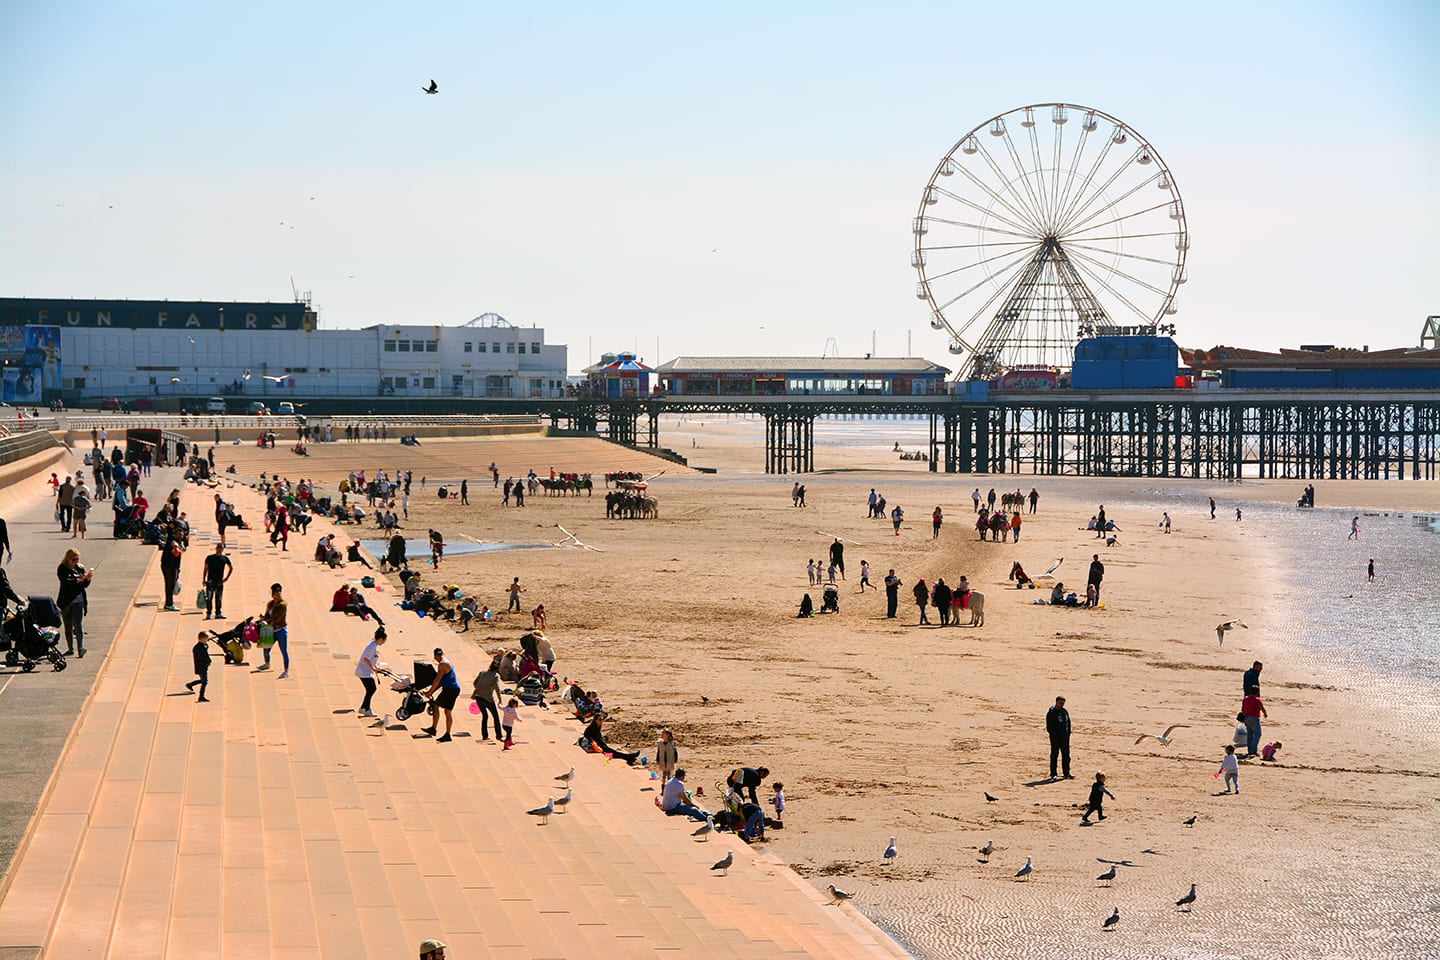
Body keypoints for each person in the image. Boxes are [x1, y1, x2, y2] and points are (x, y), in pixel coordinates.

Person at [56, 549, 92, 658]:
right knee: (68, 626)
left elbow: (84, 585)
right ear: (68, 559)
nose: (76, 561)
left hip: (79, 601)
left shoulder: (80, 568)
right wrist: (79, 580)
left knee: (78, 625)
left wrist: (87, 579)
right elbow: (65, 581)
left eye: (77, 559)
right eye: (73, 559)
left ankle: (80, 647)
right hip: (66, 601)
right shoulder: (62, 568)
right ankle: (70, 648)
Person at [423, 647, 460, 743]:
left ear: (435, 656)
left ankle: (434, 729)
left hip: (450, 690)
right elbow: (441, 681)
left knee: (436, 706)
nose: (437, 658)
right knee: (447, 711)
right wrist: (431, 691)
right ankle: (446, 734)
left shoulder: (442, 664)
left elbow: (437, 679)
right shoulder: (447, 661)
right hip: (452, 689)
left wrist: (430, 692)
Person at [258, 582, 290, 678]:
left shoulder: (283, 605)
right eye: (275, 594)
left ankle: (286, 671)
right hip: (271, 630)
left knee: (284, 651)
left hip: (280, 630)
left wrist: (266, 619)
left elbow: (277, 619)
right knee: (266, 648)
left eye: (279, 594)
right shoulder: (270, 604)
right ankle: (267, 663)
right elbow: (267, 614)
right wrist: (264, 617)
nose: (277, 596)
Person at [355, 627, 386, 717]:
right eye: (384, 640)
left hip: (367, 672)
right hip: (364, 672)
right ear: (381, 639)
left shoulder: (375, 646)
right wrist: (372, 667)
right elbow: (366, 658)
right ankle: (366, 709)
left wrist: (376, 667)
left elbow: (372, 659)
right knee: (372, 689)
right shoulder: (372, 646)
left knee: (370, 689)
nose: (384, 642)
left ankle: (364, 708)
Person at [471, 659, 503, 741]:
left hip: (478, 696)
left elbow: (475, 683)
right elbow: (497, 688)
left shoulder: (482, 673)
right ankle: (498, 735)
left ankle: (484, 735)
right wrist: (499, 698)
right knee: (495, 716)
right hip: (488, 698)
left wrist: (480, 688)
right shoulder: (495, 676)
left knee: (484, 716)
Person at [159, 522, 185, 612]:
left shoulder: (179, 541)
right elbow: (173, 543)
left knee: (168, 585)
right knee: (170, 585)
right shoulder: (173, 540)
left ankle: (168, 603)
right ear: (175, 534)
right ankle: (169, 604)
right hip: (170, 567)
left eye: (182, 534)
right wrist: (176, 546)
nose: (181, 536)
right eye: (179, 534)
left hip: (168, 565)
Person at [203, 543, 233, 620]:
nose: (220, 549)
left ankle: (218, 613)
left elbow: (231, 567)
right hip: (210, 581)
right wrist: (203, 579)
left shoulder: (224, 558)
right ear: (216, 548)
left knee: (218, 598)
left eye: (221, 548)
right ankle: (209, 613)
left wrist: (227, 577)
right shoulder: (209, 558)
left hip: (219, 581)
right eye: (218, 548)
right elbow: (206, 569)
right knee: (209, 598)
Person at [1046, 696, 1072, 779]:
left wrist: (1068, 733)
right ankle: (1053, 773)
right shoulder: (1052, 712)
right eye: (1060, 703)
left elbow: (1068, 723)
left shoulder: (1064, 711)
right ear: (1056, 702)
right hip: (1055, 739)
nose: (1062, 705)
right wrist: (1055, 736)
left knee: (1066, 756)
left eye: (1063, 703)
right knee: (1054, 756)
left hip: (1065, 738)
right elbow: (1049, 727)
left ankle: (1066, 772)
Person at [185, 631, 212, 702]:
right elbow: (205, 657)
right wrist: (208, 662)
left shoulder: (197, 647)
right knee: (205, 681)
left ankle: (190, 684)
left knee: (203, 680)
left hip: (199, 666)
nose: (207, 641)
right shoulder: (202, 648)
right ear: (202, 639)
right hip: (202, 666)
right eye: (206, 639)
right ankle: (201, 696)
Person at [1241, 687, 1267, 757]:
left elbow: (1243, 709)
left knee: (1249, 735)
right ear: (1257, 692)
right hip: (1255, 718)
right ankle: (1253, 749)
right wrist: (1265, 713)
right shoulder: (1257, 700)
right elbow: (1262, 708)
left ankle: (1250, 750)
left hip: (1246, 718)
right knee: (1258, 734)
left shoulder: (1245, 698)